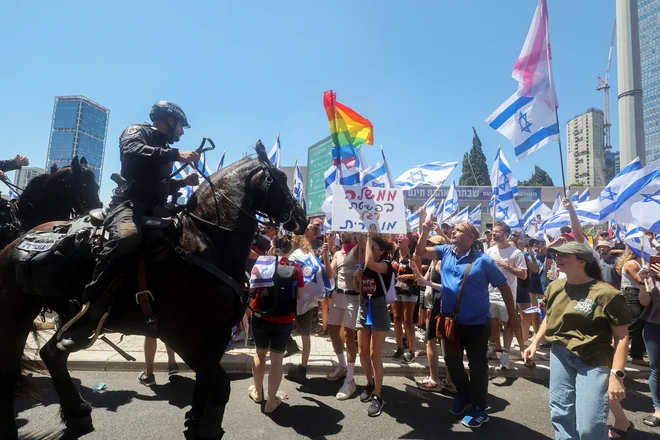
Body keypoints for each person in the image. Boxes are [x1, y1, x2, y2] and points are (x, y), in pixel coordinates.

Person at [58, 101, 200, 351]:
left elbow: (156, 182)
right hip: (128, 205)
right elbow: (134, 153)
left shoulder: (163, 146)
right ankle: (87, 313)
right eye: (181, 126)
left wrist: (181, 182)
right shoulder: (137, 131)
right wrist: (177, 155)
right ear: (169, 120)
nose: (182, 132)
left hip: (154, 208)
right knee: (127, 239)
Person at [416, 216, 517, 428]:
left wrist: (513, 318)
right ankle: (463, 395)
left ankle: (479, 407)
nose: (453, 232)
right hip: (449, 323)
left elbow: (504, 287)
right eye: (453, 230)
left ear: (472, 237)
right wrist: (424, 230)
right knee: (452, 363)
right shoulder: (445, 251)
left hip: (477, 324)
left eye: (459, 230)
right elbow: (420, 252)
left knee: (478, 366)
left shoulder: (484, 260)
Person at [524, 242, 632, 440]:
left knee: (589, 426)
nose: (558, 258)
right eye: (557, 255)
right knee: (561, 414)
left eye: (565, 255)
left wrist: (617, 375)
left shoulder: (607, 294)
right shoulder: (554, 287)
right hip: (560, 355)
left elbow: (622, 336)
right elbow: (549, 317)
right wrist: (534, 343)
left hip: (593, 360)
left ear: (582, 262)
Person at [249, 234, 304, 414]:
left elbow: (252, 289)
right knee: (277, 359)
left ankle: (258, 392)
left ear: (273, 248)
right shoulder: (296, 268)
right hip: (284, 319)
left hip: (261, 315)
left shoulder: (263, 263)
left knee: (260, 353)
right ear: (290, 250)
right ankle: (271, 401)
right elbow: (300, 296)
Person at [355, 230, 394, 417]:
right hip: (364, 306)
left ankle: (379, 395)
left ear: (381, 251)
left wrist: (370, 235)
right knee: (362, 351)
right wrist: (357, 276)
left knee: (374, 354)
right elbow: (358, 289)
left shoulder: (385, 265)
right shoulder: (365, 265)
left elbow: (370, 262)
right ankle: (370, 383)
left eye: (373, 248)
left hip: (378, 308)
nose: (369, 249)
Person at [324, 231, 365, 400]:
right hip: (337, 296)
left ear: (354, 233)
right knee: (333, 333)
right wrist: (325, 256)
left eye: (346, 232)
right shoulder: (337, 253)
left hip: (353, 298)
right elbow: (330, 274)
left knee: (349, 336)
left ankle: (350, 378)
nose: (342, 235)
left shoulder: (358, 250)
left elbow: (364, 243)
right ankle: (342, 366)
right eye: (341, 232)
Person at [286, 235, 330, 383]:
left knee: (284, 325)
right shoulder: (310, 255)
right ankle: (302, 367)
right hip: (310, 298)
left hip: (297, 297)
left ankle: (300, 365)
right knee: (306, 334)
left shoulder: (294, 256)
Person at [485, 222, 528, 370]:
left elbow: (523, 275)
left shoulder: (516, 253)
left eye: (497, 231)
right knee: (491, 324)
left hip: (508, 296)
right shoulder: (489, 251)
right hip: (490, 294)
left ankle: (505, 354)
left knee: (508, 326)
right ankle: (491, 349)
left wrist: (507, 266)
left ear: (505, 234)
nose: (493, 233)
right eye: (493, 231)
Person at [391, 232, 423, 364]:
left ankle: (411, 350)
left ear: (408, 241)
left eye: (402, 237)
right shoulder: (396, 253)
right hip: (396, 289)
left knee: (407, 320)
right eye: (398, 237)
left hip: (409, 291)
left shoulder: (414, 256)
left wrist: (407, 276)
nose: (399, 239)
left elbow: (420, 276)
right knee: (397, 318)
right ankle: (399, 347)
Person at [616, 249, 649, 367]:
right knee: (630, 326)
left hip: (638, 294)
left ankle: (637, 356)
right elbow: (641, 281)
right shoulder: (632, 264)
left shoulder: (642, 264)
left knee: (639, 326)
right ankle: (611, 352)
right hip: (631, 295)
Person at [639, 261, 660, 428]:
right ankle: (658, 408)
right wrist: (642, 281)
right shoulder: (652, 274)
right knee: (656, 368)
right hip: (654, 325)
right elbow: (644, 302)